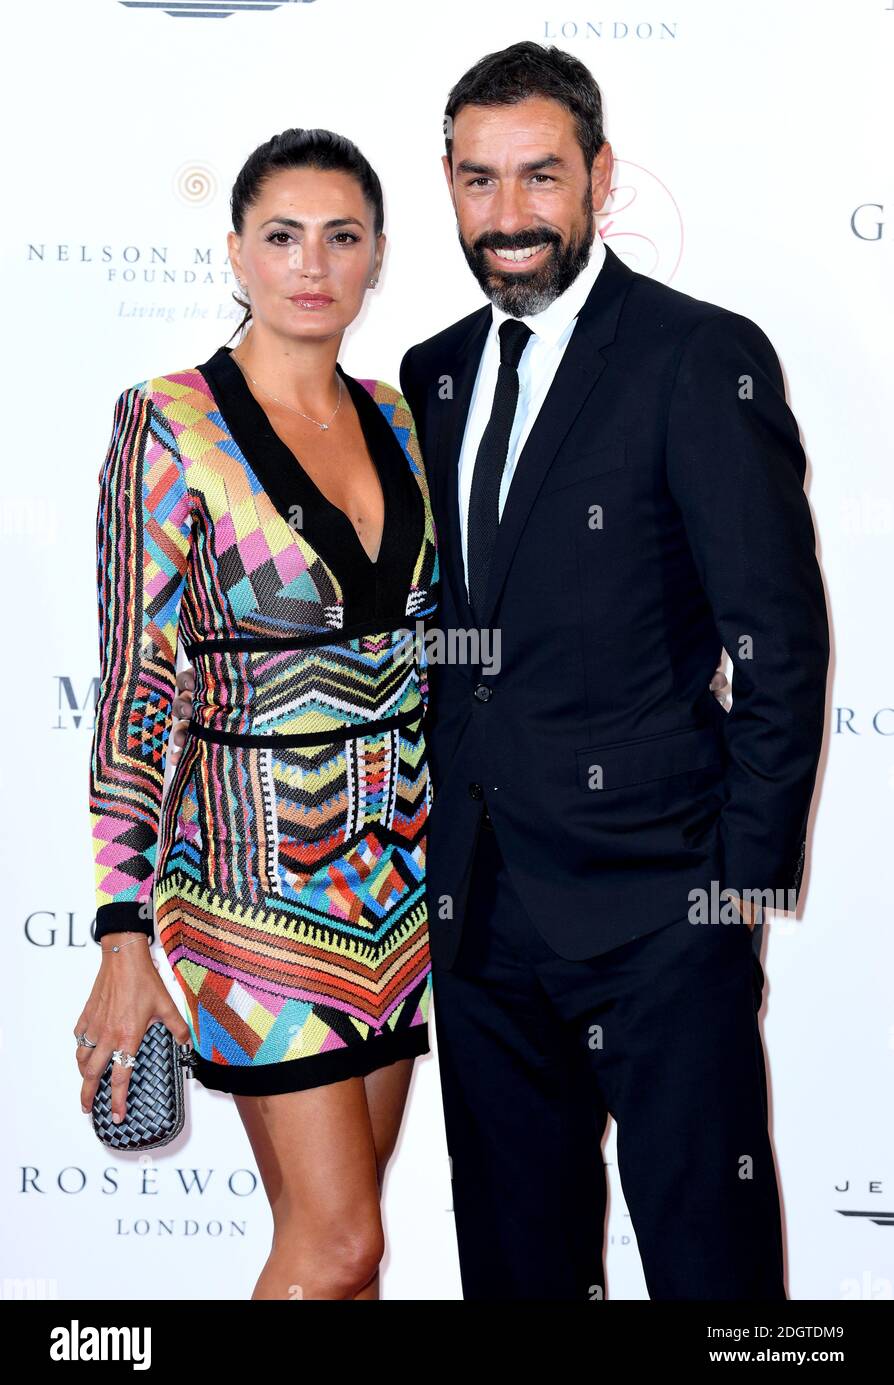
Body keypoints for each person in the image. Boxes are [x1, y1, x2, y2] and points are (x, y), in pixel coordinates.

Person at [397, 41, 829, 1299]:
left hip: (659, 912)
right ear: (449, 187)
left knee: (712, 1271)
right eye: (480, 182)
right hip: (476, 912)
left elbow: (778, 639)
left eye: (541, 177)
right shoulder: (429, 375)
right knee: (518, 1270)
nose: (510, 216)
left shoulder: (697, 356)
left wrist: (735, 886)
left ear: (599, 177)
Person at [78, 128, 438, 1301]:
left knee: (341, 1252)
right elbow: (138, 677)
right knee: (338, 1246)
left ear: (379, 254)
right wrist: (122, 931)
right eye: (281, 236)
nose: (311, 263)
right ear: (236, 252)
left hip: (399, 895)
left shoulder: (401, 418)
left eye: (342, 236)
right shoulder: (171, 422)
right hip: (248, 897)